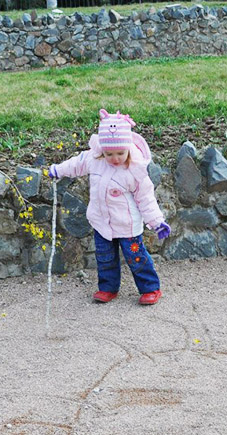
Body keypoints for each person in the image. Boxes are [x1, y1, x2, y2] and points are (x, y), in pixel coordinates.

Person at [49, 109, 171, 306]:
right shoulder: (94, 159)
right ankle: (108, 288)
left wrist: (157, 222)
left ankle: (150, 288)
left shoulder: (134, 169)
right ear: (102, 149)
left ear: (128, 148)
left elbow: (146, 198)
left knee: (136, 257)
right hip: (102, 222)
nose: (115, 158)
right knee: (105, 258)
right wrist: (58, 170)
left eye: (120, 153)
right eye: (109, 153)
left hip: (127, 225)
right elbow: (76, 164)